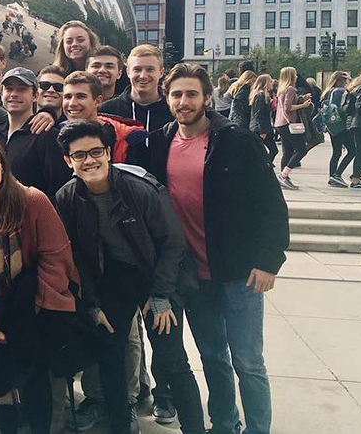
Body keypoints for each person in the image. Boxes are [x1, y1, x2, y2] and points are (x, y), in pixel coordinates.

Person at [147, 63, 288, 434]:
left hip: (240, 271)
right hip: (194, 276)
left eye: (191, 93)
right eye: (176, 94)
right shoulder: (161, 141)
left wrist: (269, 259)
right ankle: (225, 424)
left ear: (207, 97)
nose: (183, 101)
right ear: (167, 98)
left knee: (248, 361)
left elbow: (270, 202)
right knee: (212, 357)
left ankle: (259, 429)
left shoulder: (236, 139)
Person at [54, 120, 207, 434]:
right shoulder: (67, 197)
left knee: (171, 357)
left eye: (96, 151)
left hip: (156, 275)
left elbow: (173, 242)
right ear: (68, 161)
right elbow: (77, 257)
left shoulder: (139, 189)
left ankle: (194, 428)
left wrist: (162, 296)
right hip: (115, 278)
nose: (89, 160)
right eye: (79, 155)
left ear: (109, 152)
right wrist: (92, 304)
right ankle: (120, 422)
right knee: (110, 351)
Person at [0, 137, 79, 434]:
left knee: (36, 371)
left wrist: (31, 309)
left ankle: (41, 426)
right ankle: (8, 419)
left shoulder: (31, 201)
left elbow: (56, 256)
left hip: (37, 299)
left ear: (2, 166)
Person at [1, 67, 70, 200]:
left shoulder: (47, 136)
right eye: (9, 88)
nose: (14, 94)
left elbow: (60, 188)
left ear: (35, 96)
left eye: (22, 89)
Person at [63, 71, 148, 166]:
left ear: (97, 101)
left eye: (81, 97)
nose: (72, 103)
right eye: (67, 97)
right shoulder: (55, 133)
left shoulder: (129, 139)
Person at [99, 45, 174, 133]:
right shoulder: (107, 111)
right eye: (137, 69)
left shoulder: (173, 110)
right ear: (128, 72)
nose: (143, 76)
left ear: (161, 72)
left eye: (150, 69)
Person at [273, 66, 313, 190]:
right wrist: (303, 105)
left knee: (287, 151)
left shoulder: (282, 89)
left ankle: (283, 176)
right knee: (302, 149)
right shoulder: (290, 89)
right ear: (291, 76)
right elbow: (288, 107)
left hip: (280, 123)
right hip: (288, 123)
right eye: (294, 74)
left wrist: (300, 98)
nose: (296, 77)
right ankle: (284, 175)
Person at [321, 71, 355, 187]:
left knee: (336, 152)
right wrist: (351, 80)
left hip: (332, 125)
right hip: (340, 124)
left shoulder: (329, 91)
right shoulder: (341, 91)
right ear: (343, 80)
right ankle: (337, 175)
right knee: (353, 150)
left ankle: (332, 176)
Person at [249, 75, 278, 165]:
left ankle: (264, 165)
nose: (272, 83)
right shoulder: (260, 95)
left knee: (262, 151)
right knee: (273, 150)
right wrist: (262, 130)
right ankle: (265, 166)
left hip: (260, 127)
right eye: (270, 81)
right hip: (261, 128)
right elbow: (259, 114)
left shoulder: (262, 95)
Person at [343, 70, 361, 189]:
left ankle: (356, 177)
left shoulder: (358, 87)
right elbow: (360, 107)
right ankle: (356, 178)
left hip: (357, 124)